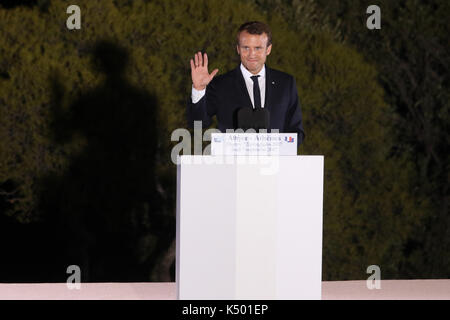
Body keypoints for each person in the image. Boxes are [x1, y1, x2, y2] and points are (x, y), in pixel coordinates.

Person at [187, 21, 305, 146]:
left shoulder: (286, 83)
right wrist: (199, 89)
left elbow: (296, 131)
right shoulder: (221, 85)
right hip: (233, 163)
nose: (251, 54)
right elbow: (197, 124)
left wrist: (282, 149)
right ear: (238, 49)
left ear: (268, 49)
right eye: (246, 48)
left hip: (275, 163)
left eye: (258, 48)